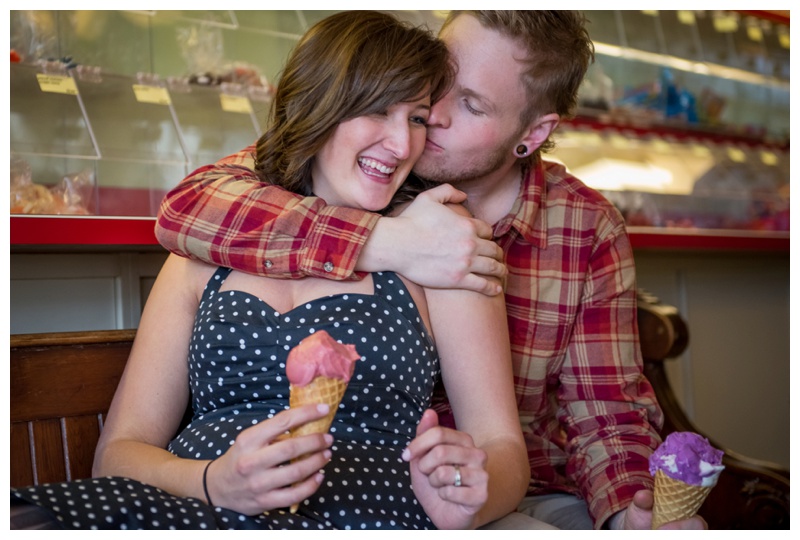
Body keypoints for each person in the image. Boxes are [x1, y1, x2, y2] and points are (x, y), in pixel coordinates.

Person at [10, 11, 531, 530]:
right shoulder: (214, 239)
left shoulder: (442, 242)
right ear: (318, 106)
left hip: (365, 513)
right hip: (194, 509)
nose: (401, 145)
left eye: (416, 118)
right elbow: (119, 454)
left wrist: (472, 499)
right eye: (376, 110)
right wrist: (215, 481)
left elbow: (502, 446)